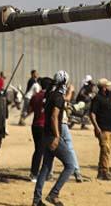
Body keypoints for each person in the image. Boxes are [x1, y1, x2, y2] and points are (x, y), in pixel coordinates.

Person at [33, 70, 76, 206]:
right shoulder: (57, 97)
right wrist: (57, 136)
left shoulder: (50, 95)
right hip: (52, 136)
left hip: (46, 135)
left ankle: (36, 200)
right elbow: (53, 117)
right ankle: (54, 194)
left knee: (45, 168)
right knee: (70, 165)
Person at [27, 77, 52, 182]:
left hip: (35, 125)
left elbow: (29, 110)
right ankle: (36, 174)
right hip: (44, 126)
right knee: (44, 151)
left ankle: (35, 173)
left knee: (38, 150)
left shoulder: (35, 96)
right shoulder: (50, 97)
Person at [62, 84, 85, 183]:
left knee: (49, 151)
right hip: (61, 124)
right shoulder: (58, 95)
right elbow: (66, 100)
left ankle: (47, 173)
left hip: (56, 124)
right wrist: (70, 91)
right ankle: (77, 171)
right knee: (70, 148)